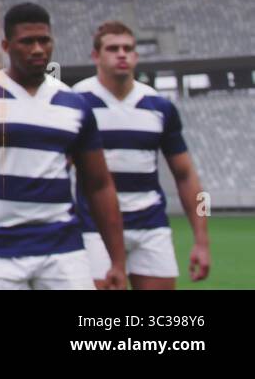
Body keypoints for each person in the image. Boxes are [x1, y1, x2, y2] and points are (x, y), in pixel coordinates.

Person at [0, 2, 127, 289]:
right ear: (6, 45)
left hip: (63, 251)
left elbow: (99, 184)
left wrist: (117, 260)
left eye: (44, 40)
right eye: (27, 41)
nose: (38, 49)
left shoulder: (75, 105)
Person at [74, 20, 209, 289]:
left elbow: (187, 176)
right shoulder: (76, 102)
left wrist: (202, 241)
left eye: (128, 48)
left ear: (136, 56)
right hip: (94, 227)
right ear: (95, 56)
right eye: (113, 48)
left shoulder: (160, 107)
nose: (122, 54)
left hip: (151, 225)